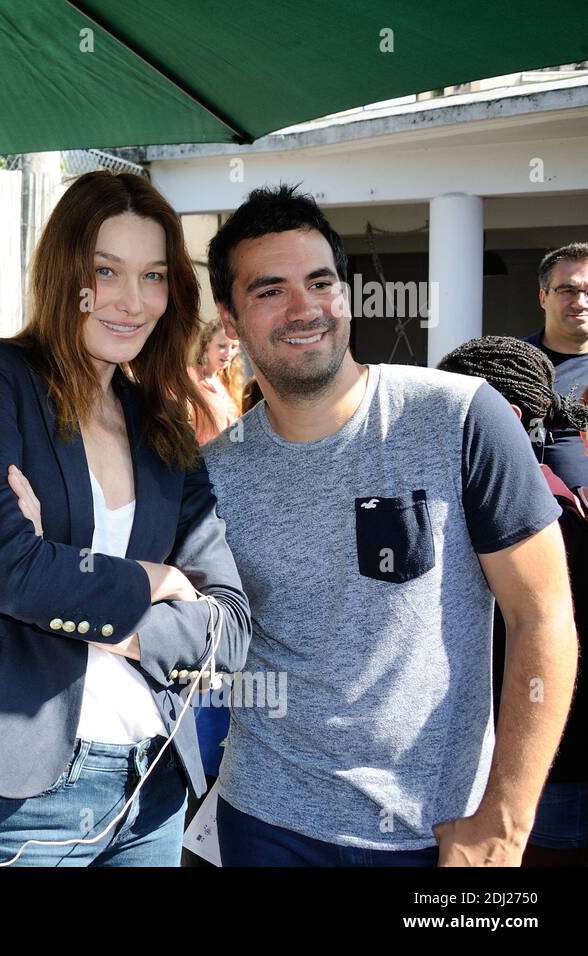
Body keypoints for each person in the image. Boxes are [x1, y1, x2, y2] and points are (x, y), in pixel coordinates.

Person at [201, 184, 576, 867]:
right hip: (266, 823)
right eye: (269, 290)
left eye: (320, 282)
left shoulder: (462, 418)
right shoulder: (213, 474)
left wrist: (506, 823)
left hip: (439, 834)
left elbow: (543, 614)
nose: (304, 308)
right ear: (230, 316)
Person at [0, 170, 251, 867]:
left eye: (153, 275)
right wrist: (155, 577)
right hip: (22, 788)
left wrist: (76, 588)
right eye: (106, 271)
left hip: (151, 788)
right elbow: (10, 574)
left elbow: (230, 629)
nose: (132, 300)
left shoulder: (165, 428)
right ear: (68, 274)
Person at [438, 335, 588, 866]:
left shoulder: (544, 516)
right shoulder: (539, 496)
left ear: (505, 414)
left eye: (450, 405)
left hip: (541, 776)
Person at [523, 243, 588, 489]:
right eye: (567, 290)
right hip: (529, 519)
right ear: (543, 297)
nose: (580, 302)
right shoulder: (511, 365)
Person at [189, 319, 243, 443]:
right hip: (200, 458)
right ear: (206, 345)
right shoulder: (190, 378)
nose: (228, 353)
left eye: (234, 347)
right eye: (222, 346)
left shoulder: (228, 383)